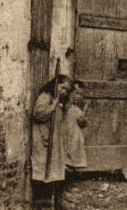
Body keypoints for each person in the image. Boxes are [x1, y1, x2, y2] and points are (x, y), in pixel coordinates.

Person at [31, 74, 74, 208]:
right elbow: (39, 115)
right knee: (43, 173)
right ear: (55, 84)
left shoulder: (57, 100)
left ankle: (55, 201)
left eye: (67, 90)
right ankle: (43, 204)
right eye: (62, 88)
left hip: (53, 142)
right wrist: (53, 106)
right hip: (43, 142)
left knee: (54, 173)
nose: (64, 92)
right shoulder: (45, 97)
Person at [65, 83, 88, 171]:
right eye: (77, 93)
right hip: (67, 133)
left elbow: (83, 121)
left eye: (81, 94)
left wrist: (84, 111)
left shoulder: (76, 108)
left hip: (74, 133)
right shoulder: (67, 107)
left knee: (73, 147)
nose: (79, 96)